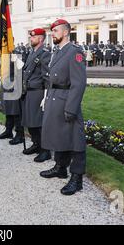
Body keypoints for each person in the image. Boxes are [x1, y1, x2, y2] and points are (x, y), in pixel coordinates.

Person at [40, 19, 87, 196]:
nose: (53, 34)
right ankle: (60, 167)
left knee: (75, 139)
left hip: (67, 99)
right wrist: (46, 97)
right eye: (52, 31)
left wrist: (71, 108)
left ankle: (77, 178)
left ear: (66, 32)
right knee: (57, 134)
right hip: (54, 98)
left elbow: (79, 83)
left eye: (56, 31)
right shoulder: (57, 51)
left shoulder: (75, 52)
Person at [20, 28, 52, 163]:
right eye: (30, 37)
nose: (31, 39)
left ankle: (45, 150)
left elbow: (47, 77)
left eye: (33, 37)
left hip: (38, 92)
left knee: (38, 123)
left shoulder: (44, 54)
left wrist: (46, 96)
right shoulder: (32, 52)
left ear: (40, 39)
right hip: (29, 91)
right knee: (30, 122)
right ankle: (36, 144)